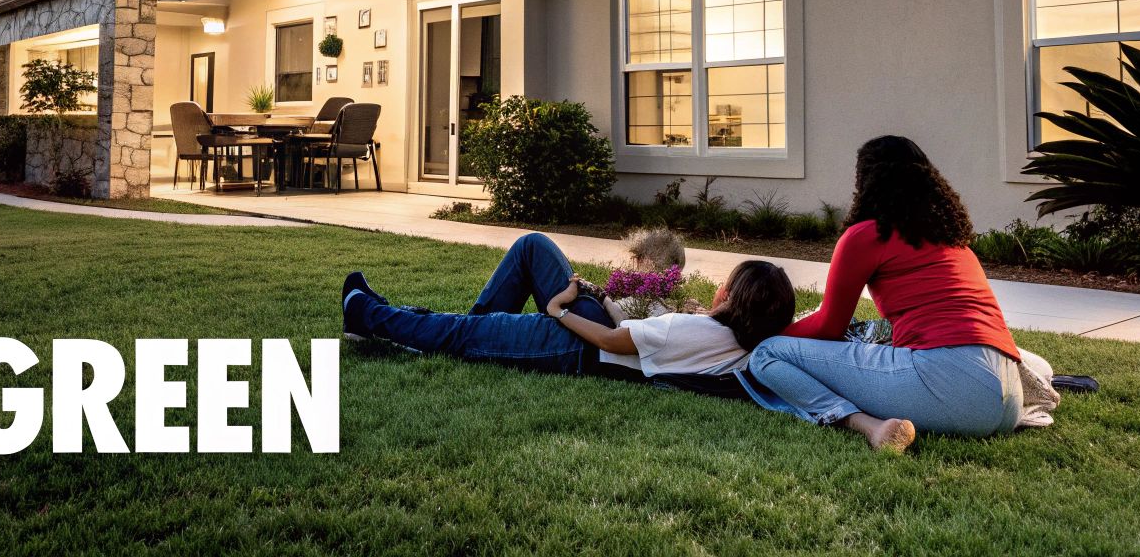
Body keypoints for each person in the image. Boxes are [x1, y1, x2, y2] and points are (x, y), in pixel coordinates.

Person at [743, 136, 1024, 453]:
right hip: (1010, 399)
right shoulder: (952, 238)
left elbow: (828, 327)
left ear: (865, 182)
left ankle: (862, 423)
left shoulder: (866, 235)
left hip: (956, 388)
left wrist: (774, 335)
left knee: (767, 354)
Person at [342, 232, 793, 380]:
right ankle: (466, 335)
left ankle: (363, 313)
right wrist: (604, 298)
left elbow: (614, 341)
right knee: (533, 246)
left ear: (730, 298)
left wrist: (560, 308)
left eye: (726, 285)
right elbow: (632, 333)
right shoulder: (742, 343)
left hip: (576, 344)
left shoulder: (696, 333)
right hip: (592, 326)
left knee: (465, 335)